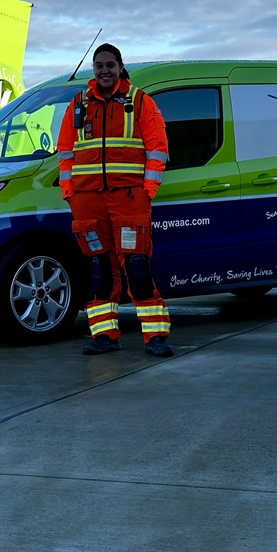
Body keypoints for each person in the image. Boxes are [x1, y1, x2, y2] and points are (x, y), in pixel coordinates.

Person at [55, 43, 173, 357]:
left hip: (130, 199)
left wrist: (148, 190)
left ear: (120, 67)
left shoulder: (140, 102)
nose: (104, 71)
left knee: (137, 267)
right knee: (99, 269)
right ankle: (105, 336)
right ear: (93, 70)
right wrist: (70, 194)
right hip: (87, 202)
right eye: (99, 66)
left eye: (110, 65)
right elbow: (65, 153)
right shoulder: (78, 104)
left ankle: (156, 336)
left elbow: (158, 149)